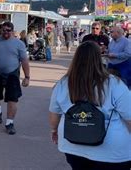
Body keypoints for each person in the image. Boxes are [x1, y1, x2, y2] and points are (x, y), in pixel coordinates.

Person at [49, 41, 131, 170]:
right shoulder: (114, 84)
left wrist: (54, 130)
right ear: (99, 59)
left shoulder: (63, 83)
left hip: (73, 145)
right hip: (111, 152)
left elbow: (54, 114)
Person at [0, 21, 30, 135]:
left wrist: (27, 77)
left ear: (12, 31)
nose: (5, 33)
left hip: (12, 73)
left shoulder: (19, 44)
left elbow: (24, 61)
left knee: (12, 98)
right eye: (3, 30)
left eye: (8, 30)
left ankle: (9, 123)